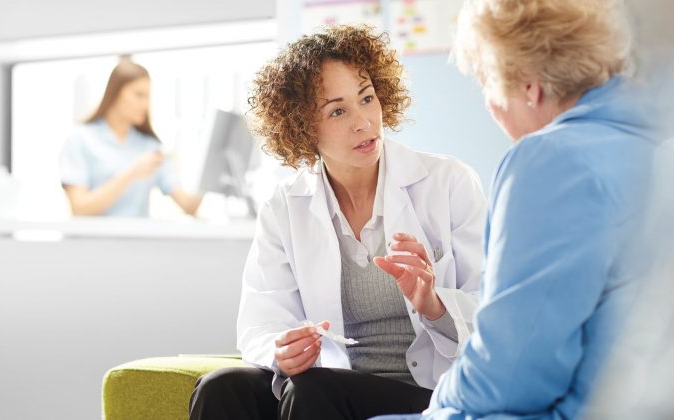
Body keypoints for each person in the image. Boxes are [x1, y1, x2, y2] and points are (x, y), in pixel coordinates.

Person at [375, 1, 659, 419]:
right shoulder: (650, 140)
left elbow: (509, 374)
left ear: (529, 86)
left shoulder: (551, 160)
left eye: (486, 84)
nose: (490, 105)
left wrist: (436, 407)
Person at [189, 25, 487, 420]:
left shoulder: (449, 182)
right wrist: (283, 350)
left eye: (367, 98)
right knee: (221, 387)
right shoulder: (284, 206)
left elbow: (493, 313)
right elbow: (261, 322)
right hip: (323, 387)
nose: (364, 122)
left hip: (426, 391)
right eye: (338, 111)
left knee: (313, 389)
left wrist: (433, 303)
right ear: (302, 127)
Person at [59, 59, 202, 217]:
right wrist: (132, 173)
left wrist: (210, 171)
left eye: (148, 97)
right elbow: (79, 208)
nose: (146, 105)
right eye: (139, 95)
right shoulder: (81, 139)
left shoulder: (150, 146)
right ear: (115, 94)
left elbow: (188, 206)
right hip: (94, 234)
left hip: (139, 234)